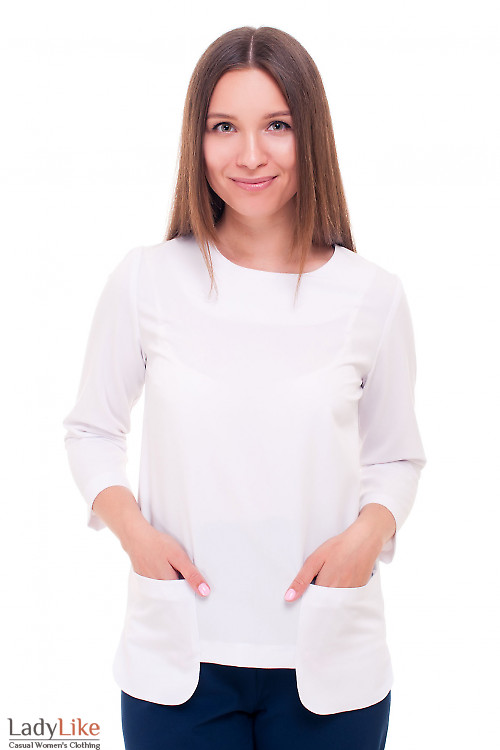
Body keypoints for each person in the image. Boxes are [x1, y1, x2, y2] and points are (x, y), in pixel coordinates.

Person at [63, 26, 427, 750]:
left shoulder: (372, 296)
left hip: (330, 661)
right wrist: (135, 535)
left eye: (277, 126)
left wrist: (366, 537)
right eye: (224, 127)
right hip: (179, 660)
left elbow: (396, 456)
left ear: (310, 135)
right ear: (197, 142)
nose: (251, 154)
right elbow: (91, 430)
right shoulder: (146, 280)